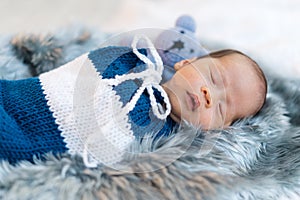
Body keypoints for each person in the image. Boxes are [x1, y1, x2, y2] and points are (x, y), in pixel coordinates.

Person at [0, 36, 267, 166]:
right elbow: (71, 79)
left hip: (31, 144)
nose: (210, 95)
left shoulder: (164, 148)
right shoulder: (131, 64)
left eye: (221, 108)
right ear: (186, 63)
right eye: (213, 78)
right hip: (21, 98)